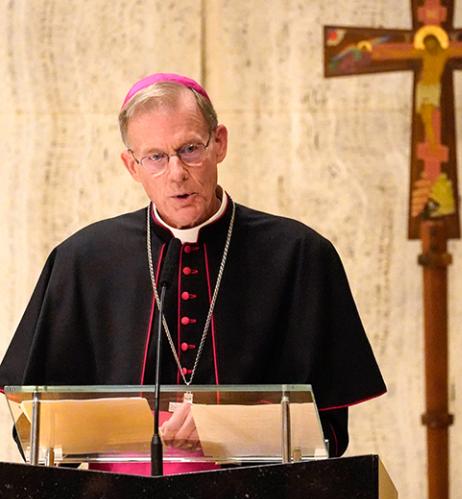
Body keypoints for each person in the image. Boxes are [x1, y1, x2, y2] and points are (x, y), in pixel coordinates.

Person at [0, 73, 386, 475]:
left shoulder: (300, 255)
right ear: (131, 165)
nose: (177, 172)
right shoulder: (83, 259)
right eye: (155, 157)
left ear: (219, 143)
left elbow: (329, 432)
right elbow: (40, 435)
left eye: (189, 149)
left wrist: (223, 426)